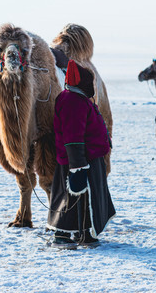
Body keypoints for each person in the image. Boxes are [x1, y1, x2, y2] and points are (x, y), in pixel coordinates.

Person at [47, 59, 116, 249]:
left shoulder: (76, 99)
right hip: (80, 160)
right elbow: (73, 136)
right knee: (75, 197)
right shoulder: (72, 101)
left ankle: (84, 232)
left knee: (85, 198)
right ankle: (64, 235)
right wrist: (78, 166)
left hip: (87, 159)